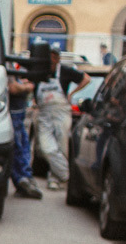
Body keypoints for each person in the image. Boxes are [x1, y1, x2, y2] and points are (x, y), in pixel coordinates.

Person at [33, 48, 91, 193]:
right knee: (45, 147)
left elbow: (86, 78)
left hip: (61, 112)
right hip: (44, 113)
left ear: (58, 59)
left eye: (54, 57)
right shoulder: (40, 72)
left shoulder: (65, 71)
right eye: (49, 57)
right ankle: (67, 174)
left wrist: (72, 93)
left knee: (61, 145)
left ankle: (54, 178)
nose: (52, 60)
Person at [7, 64, 40, 199]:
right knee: (18, 147)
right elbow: (13, 88)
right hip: (13, 114)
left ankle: (24, 177)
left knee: (23, 145)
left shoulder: (11, 66)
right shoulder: (6, 67)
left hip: (19, 115)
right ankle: (22, 178)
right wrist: (28, 87)